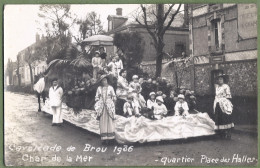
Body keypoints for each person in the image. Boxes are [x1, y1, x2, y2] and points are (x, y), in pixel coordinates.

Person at [94, 75, 117, 144]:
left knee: (110, 120)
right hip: (102, 106)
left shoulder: (110, 88)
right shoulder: (99, 88)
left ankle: (111, 139)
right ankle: (104, 138)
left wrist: (113, 101)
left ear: (107, 80)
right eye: (102, 80)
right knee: (103, 121)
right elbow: (96, 96)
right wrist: (98, 100)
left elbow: (114, 96)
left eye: (105, 80)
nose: (104, 82)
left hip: (109, 105)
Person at [213, 74, 234, 139]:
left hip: (224, 103)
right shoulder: (217, 87)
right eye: (219, 79)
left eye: (221, 79)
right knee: (219, 118)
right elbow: (216, 95)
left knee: (226, 117)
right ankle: (222, 133)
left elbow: (228, 95)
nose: (220, 80)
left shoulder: (226, 86)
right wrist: (216, 102)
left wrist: (224, 100)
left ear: (223, 80)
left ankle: (228, 133)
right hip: (218, 103)